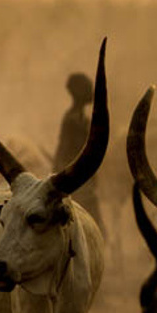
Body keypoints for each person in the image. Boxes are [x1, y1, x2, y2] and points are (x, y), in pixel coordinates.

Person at [53, 71, 105, 234]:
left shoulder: (84, 120)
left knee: (96, 228)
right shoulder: (71, 120)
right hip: (74, 179)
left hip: (85, 179)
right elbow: (63, 150)